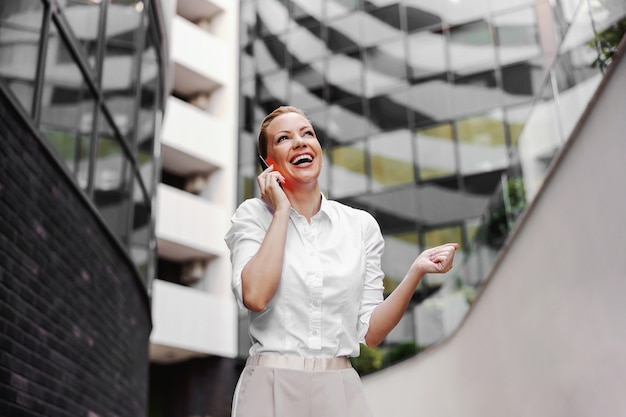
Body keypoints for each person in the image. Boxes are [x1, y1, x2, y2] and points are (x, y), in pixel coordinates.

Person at [224, 106, 458, 417]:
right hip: (270, 384)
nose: (300, 142)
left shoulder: (360, 226)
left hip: (340, 388)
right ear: (269, 163)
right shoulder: (253, 216)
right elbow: (254, 295)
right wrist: (280, 211)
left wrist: (417, 271)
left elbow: (371, 333)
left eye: (307, 133)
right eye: (284, 138)